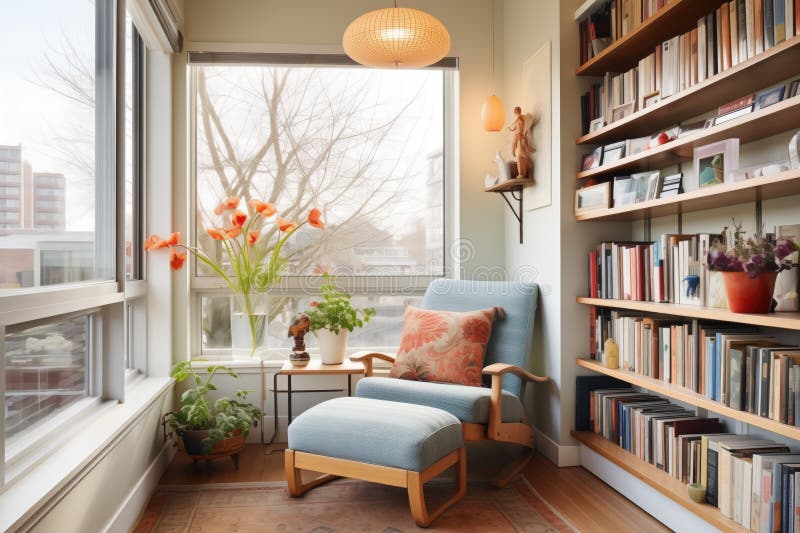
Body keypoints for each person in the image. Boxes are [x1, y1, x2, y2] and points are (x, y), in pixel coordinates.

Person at [509, 106, 534, 179]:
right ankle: (522, 172)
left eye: (517, 111)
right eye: (516, 112)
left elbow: (514, 126)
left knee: (520, 155)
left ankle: (522, 172)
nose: (517, 113)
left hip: (520, 137)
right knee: (519, 154)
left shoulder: (521, 118)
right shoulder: (522, 118)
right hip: (519, 137)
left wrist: (510, 128)